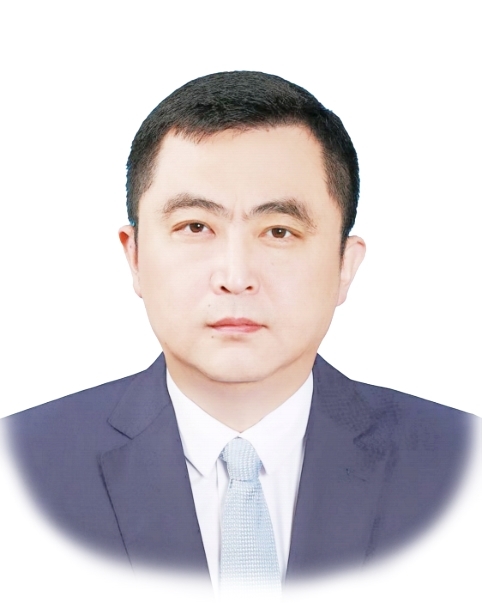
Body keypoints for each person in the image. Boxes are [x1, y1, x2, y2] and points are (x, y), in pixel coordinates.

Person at [3, 71, 477, 594]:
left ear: (345, 264)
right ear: (134, 257)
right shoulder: (19, 468)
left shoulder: (462, 466)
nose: (235, 276)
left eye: (279, 231)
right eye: (195, 227)